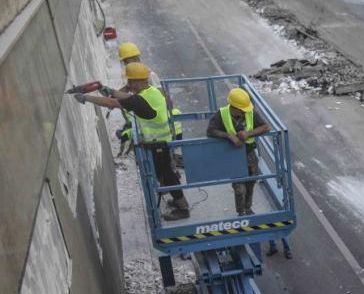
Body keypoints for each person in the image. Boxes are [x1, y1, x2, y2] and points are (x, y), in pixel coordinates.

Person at [74, 62, 189, 220]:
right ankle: (179, 202)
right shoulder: (151, 91)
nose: (128, 84)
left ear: (137, 82)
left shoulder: (139, 100)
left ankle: (183, 209)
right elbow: (130, 98)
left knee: (166, 175)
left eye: (130, 81)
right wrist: (109, 90)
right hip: (162, 141)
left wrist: (86, 97)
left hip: (158, 144)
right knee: (166, 174)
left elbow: (113, 103)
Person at [207, 88, 270, 216]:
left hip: (249, 153)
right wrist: (229, 136)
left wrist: (248, 133)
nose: (244, 112)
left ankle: (248, 208)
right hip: (233, 156)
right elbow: (211, 131)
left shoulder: (250, 112)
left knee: (251, 182)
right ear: (233, 107)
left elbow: (265, 126)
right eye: (241, 110)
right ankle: (241, 212)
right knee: (239, 189)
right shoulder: (222, 114)